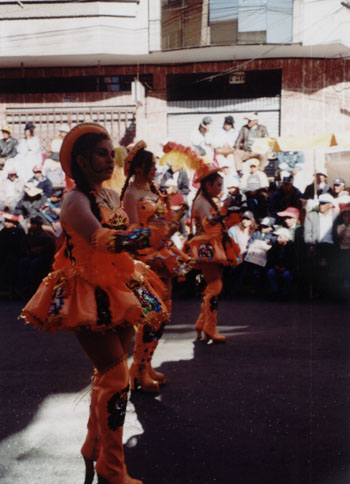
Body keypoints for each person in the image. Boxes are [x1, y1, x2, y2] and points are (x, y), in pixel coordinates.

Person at [21, 123, 170, 484]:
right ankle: (111, 467)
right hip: (86, 290)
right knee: (118, 377)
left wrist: (152, 233)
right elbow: (105, 240)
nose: (110, 159)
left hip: (119, 285)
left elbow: (128, 234)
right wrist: (151, 233)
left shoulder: (107, 196)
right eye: (102, 153)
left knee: (110, 374)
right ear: (82, 160)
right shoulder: (75, 200)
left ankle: (93, 446)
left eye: (110, 152)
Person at [121, 140, 193, 392]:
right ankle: (138, 371)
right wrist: (146, 251)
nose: (155, 169)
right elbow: (130, 229)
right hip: (144, 258)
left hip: (164, 253)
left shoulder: (154, 189)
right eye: (151, 165)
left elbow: (163, 222)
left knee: (164, 311)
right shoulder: (131, 193)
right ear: (138, 168)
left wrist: (175, 221)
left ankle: (145, 364)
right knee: (151, 314)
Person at [187, 163, 241, 342]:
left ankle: (203, 323)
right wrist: (224, 209)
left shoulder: (206, 200)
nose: (220, 189)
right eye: (218, 185)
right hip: (207, 246)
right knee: (215, 286)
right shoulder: (202, 202)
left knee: (213, 286)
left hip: (212, 245)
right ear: (207, 185)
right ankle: (209, 326)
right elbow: (207, 223)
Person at [304, 193, 337, 298]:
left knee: (333, 268)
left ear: (330, 205)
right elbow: (307, 234)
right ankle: (318, 292)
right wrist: (311, 245)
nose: (321, 205)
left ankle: (331, 293)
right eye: (320, 203)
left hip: (333, 246)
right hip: (317, 245)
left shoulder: (336, 216)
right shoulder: (311, 216)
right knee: (317, 268)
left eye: (323, 203)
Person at [266, 227, 297, 300]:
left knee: (286, 275)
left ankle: (285, 294)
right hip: (276, 267)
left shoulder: (292, 246)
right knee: (270, 273)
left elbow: (293, 260)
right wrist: (275, 266)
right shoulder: (275, 246)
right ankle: (274, 292)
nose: (277, 239)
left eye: (280, 237)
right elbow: (270, 257)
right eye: (277, 237)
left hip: (287, 268)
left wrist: (286, 268)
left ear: (286, 238)